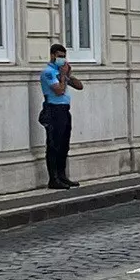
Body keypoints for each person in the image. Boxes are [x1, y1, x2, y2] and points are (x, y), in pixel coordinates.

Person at [39, 43, 85, 190]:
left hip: (65, 110)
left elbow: (79, 86)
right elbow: (58, 90)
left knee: (64, 144)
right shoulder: (48, 72)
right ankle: (53, 178)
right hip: (53, 110)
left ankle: (62, 175)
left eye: (64, 57)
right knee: (54, 145)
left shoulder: (61, 72)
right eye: (60, 56)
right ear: (52, 55)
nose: (62, 59)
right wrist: (63, 76)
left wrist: (68, 75)